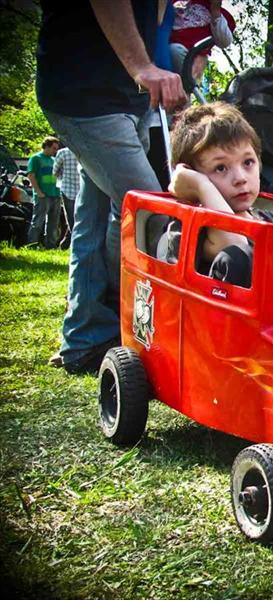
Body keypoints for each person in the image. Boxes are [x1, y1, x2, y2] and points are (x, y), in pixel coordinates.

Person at [38, 1, 186, 374]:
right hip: (85, 92)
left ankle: (85, 338)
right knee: (150, 213)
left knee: (97, 219)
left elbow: (152, 14)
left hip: (130, 98)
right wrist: (143, 67)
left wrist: (153, 71)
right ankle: (128, 329)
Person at [168, 102, 273, 289]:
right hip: (214, 317)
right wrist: (202, 187)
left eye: (248, 162)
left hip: (265, 317)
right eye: (220, 168)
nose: (240, 178)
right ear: (191, 176)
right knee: (237, 257)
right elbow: (237, 250)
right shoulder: (189, 227)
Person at [170, 0, 235, 82]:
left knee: (175, 51)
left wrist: (215, 10)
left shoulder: (221, 16)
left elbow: (224, 42)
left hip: (190, 56)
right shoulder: (174, 4)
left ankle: (183, 90)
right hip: (163, 50)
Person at [26, 136, 61, 249]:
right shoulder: (36, 158)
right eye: (54, 148)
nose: (55, 151)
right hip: (43, 194)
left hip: (55, 194)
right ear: (46, 146)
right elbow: (31, 175)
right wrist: (38, 192)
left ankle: (50, 245)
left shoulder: (53, 160)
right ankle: (32, 243)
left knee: (53, 223)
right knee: (38, 221)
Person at [52, 145, 80, 248]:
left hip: (67, 189)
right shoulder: (84, 151)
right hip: (82, 189)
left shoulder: (62, 152)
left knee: (71, 219)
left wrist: (62, 177)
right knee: (79, 218)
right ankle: (66, 244)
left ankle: (70, 245)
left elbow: (54, 172)